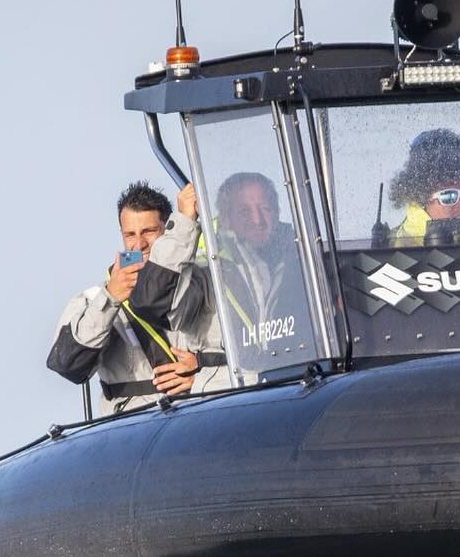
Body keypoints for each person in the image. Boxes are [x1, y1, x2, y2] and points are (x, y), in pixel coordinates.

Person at [47, 180, 227, 413]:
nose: (139, 244)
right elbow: (68, 365)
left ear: (167, 230)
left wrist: (200, 377)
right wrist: (110, 297)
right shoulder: (91, 299)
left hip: (198, 411)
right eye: (130, 234)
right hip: (135, 424)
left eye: (149, 232)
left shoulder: (200, 282)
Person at [211, 172, 309, 356]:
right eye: (244, 211)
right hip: (244, 381)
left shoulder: (305, 261)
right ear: (225, 219)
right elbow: (154, 302)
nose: (257, 220)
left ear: (277, 214)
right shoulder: (211, 270)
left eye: (265, 209)